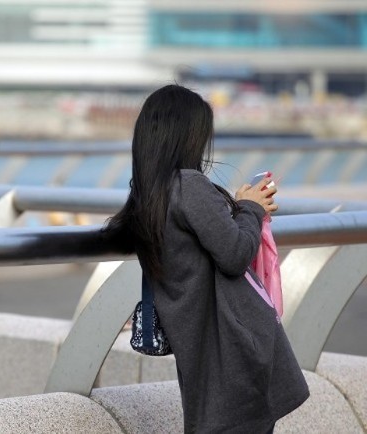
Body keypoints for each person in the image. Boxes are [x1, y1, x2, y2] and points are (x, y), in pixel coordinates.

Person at [105, 84, 309, 433]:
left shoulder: (146, 197)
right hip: (234, 349)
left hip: (200, 349)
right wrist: (251, 208)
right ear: (185, 137)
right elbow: (234, 254)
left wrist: (240, 206)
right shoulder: (188, 185)